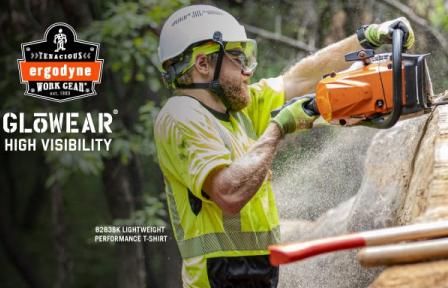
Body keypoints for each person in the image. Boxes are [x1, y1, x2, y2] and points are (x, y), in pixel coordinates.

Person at [154, 4, 414, 287]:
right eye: (238, 58)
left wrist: (367, 38)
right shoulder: (181, 116)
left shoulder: (239, 109)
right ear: (203, 64)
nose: (247, 71)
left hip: (255, 270)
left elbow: (300, 77)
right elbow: (228, 193)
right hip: (218, 277)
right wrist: (278, 127)